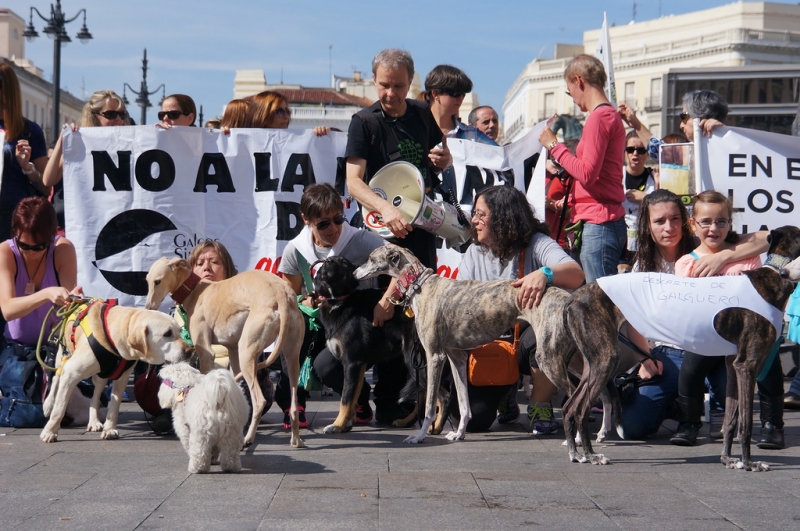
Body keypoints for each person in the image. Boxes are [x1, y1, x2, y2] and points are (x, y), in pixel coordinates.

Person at [344, 49, 452, 423]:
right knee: (385, 316)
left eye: (399, 86)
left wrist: (443, 160)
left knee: (421, 320)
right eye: (384, 86)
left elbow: (441, 154)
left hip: (420, 230)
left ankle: (419, 398)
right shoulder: (363, 122)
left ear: (412, 83)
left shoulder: (423, 113)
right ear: (374, 82)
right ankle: (386, 398)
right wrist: (384, 209)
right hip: (383, 236)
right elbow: (353, 181)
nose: (390, 93)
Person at [619, 190, 768, 439]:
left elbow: (767, 238)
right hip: (672, 351)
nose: (669, 227)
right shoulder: (642, 266)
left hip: (721, 346)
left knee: (727, 392)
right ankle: (675, 404)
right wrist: (643, 358)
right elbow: (636, 319)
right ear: (647, 225)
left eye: (675, 218)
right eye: (659, 221)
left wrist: (723, 256)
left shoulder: (707, 240)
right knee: (635, 428)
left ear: (687, 221)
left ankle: (702, 409)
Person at [456, 185, 585, 433]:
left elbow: (576, 275)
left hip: (526, 338)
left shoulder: (536, 243)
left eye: (481, 214)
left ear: (504, 217)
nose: (474, 220)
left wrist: (545, 273)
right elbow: (460, 300)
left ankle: (540, 404)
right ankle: (505, 394)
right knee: (475, 421)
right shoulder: (474, 251)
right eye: (474, 213)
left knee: (544, 336)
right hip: (490, 344)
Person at [671, 191, 785, 448]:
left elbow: (761, 288)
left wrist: (725, 256)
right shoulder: (687, 262)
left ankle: (772, 425)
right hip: (710, 334)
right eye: (706, 222)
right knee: (690, 368)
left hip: (748, 334)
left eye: (721, 221)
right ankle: (688, 423)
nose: (714, 228)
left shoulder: (746, 254)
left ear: (730, 223)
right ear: (693, 224)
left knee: (769, 364)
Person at [279, 183, 394, 425]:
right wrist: (307, 298)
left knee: (327, 366)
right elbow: (289, 297)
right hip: (320, 324)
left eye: (338, 219)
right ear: (306, 220)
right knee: (289, 326)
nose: (333, 228)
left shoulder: (361, 240)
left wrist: (387, 299)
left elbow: (404, 263)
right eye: (323, 223)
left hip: (359, 327)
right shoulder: (296, 251)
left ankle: (357, 400)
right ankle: (295, 403)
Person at [538, 54, 626, 284]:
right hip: (599, 221)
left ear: (578, 80)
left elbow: (587, 173)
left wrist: (554, 146)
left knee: (598, 304)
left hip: (600, 222)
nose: (574, 99)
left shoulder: (600, 117)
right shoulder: (607, 116)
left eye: (570, 91)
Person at [0, 198, 81, 357]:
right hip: (17, 349)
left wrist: (75, 300)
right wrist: (46, 294)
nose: (31, 252)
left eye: (39, 247)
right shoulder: (5, 252)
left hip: (57, 347)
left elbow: (68, 308)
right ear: (14, 234)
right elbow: (8, 310)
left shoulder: (62, 249)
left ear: (52, 237)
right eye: (23, 245)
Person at [0, 63, 49, 242]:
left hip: (14, 222)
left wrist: (27, 167)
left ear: (6, 92)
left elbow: (45, 186)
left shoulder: (29, 131)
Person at [42, 90, 131, 189]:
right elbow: (48, 181)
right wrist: (61, 143)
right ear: (95, 116)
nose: (118, 119)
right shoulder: (79, 142)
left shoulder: (129, 144)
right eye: (111, 114)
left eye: (122, 114)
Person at [618, 89, 726, 162]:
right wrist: (636, 123)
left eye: (684, 117)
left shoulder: (729, 146)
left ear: (702, 117)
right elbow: (660, 150)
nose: (681, 125)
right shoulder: (688, 153)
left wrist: (722, 132)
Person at [422, 65, 496, 145]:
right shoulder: (414, 128)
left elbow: (502, 155)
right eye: (455, 93)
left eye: (463, 94)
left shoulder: (472, 136)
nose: (460, 98)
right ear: (435, 94)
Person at [622, 131, 656, 259]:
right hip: (621, 245)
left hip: (647, 244)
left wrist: (646, 198)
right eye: (630, 150)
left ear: (647, 154)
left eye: (641, 150)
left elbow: (669, 204)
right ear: (624, 153)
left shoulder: (655, 176)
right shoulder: (616, 176)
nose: (635, 154)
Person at [244, 90, 329, 136]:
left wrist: (323, 133)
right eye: (279, 112)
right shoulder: (242, 140)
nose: (286, 117)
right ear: (262, 115)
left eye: (287, 111)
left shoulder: (297, 139)